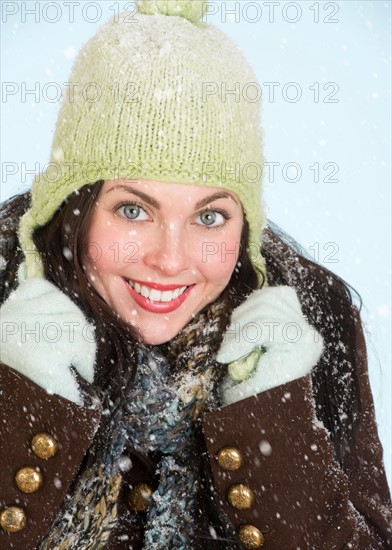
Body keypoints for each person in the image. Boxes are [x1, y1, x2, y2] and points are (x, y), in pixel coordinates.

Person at [0, 1, 391, 548]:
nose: (170, 259)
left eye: (210, 217)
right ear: (74, 208)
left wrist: (276, 420)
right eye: (134, 210)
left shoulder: (311, 325)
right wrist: (20, 404)